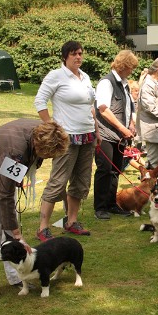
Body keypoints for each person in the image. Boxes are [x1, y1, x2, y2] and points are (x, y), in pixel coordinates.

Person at [0, 119, 69, 305]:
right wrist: (17, 235)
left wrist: (13, 229)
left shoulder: (43, 131)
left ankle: (17, 277)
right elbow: (5, 194)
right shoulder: (15, 152)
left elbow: (8, 188)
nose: (49, 158)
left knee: (10, 221)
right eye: (48, 154)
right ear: (38, 144)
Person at [34, 41, 100, 241]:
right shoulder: (56, 75)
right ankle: (43, 227)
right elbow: (39, 101)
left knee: (81, 182)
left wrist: (97, 131)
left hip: (87, 136)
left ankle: (71, 221)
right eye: (74, 54)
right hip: (67, 138)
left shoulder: (85, 77)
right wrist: (53, 128)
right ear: (65, 56)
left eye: (80, 53)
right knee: (58, 181)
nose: (78, 57)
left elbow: (90, 107)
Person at [94, 49, 139, 220]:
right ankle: (100, 207)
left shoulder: (125, 83)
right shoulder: (106, 82)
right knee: (104, 170)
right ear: (123, 66)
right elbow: (103, 109)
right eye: (130, 68)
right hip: (105, 135)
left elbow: (128, 107)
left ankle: (112, 204)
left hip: (120, 136)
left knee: (115, 171)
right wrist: (122, 128)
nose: (132, 71)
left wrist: (131, 124)